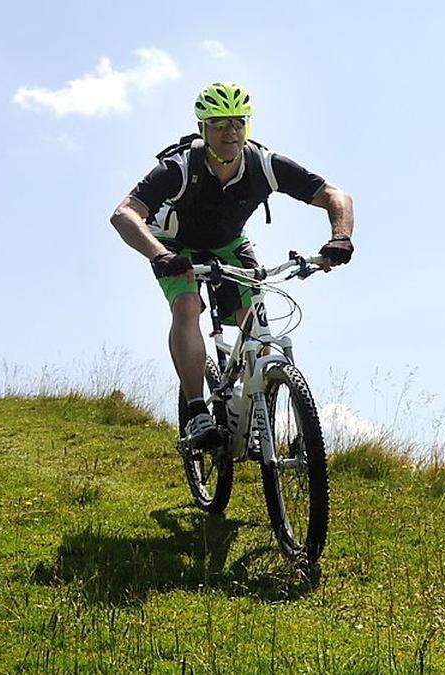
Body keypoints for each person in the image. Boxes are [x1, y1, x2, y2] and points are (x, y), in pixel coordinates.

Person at [109, 82, 355, 448]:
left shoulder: (263, 165)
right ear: (203, 129)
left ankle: (256, 410)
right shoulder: (178, 168)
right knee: (188, 305)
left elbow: (336, 195)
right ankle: (197, 413)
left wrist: (340, 236)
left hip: (228, 245)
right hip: (176, 246)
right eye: (220, 124)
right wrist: (159, 255)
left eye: (239, 123)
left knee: (255, 323)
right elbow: (124, 214)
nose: (231, 132)